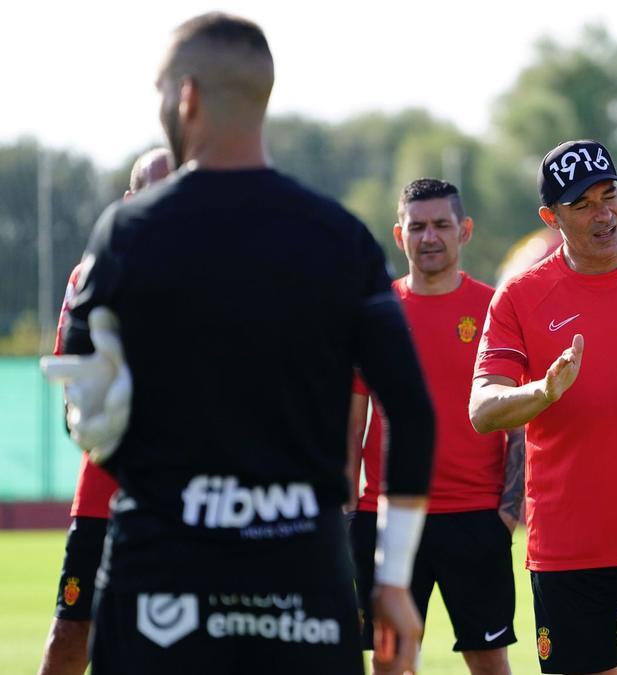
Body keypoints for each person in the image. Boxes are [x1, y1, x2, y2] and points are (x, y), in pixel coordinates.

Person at [44, 13, 434, 674]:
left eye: (163, 90)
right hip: (302, 582)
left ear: (187, 96)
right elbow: (415, 413)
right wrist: (391, 580)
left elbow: (86, 414)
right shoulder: (339, 238)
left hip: (159, 587)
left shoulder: (127, 234)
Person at [468, 139, 617, 675]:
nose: (604, 214)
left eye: (610, 195)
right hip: (569, 548)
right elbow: (483, 408)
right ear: (551, 217)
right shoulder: (519, 297)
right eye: (582, 205)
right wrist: (543, 393)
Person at [348, 178, 524, 674]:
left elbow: (515, 418)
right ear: (399, 235)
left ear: (464, 230)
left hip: (475, 516)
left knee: (488, 659)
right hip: (385, 516)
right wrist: (347, 507)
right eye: (417, 226)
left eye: (441, 225)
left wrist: (508, 513)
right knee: (391, 659)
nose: (430, 237)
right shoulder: (374, 311)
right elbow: (352, 419)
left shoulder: (496, 307)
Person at [36, 147, 174, 675]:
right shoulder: (91, 274)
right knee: (71, 630)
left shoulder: (224, 271)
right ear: (130, 201)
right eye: (154, 194)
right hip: (108, 479)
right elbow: (75, 380)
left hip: (200, 482)